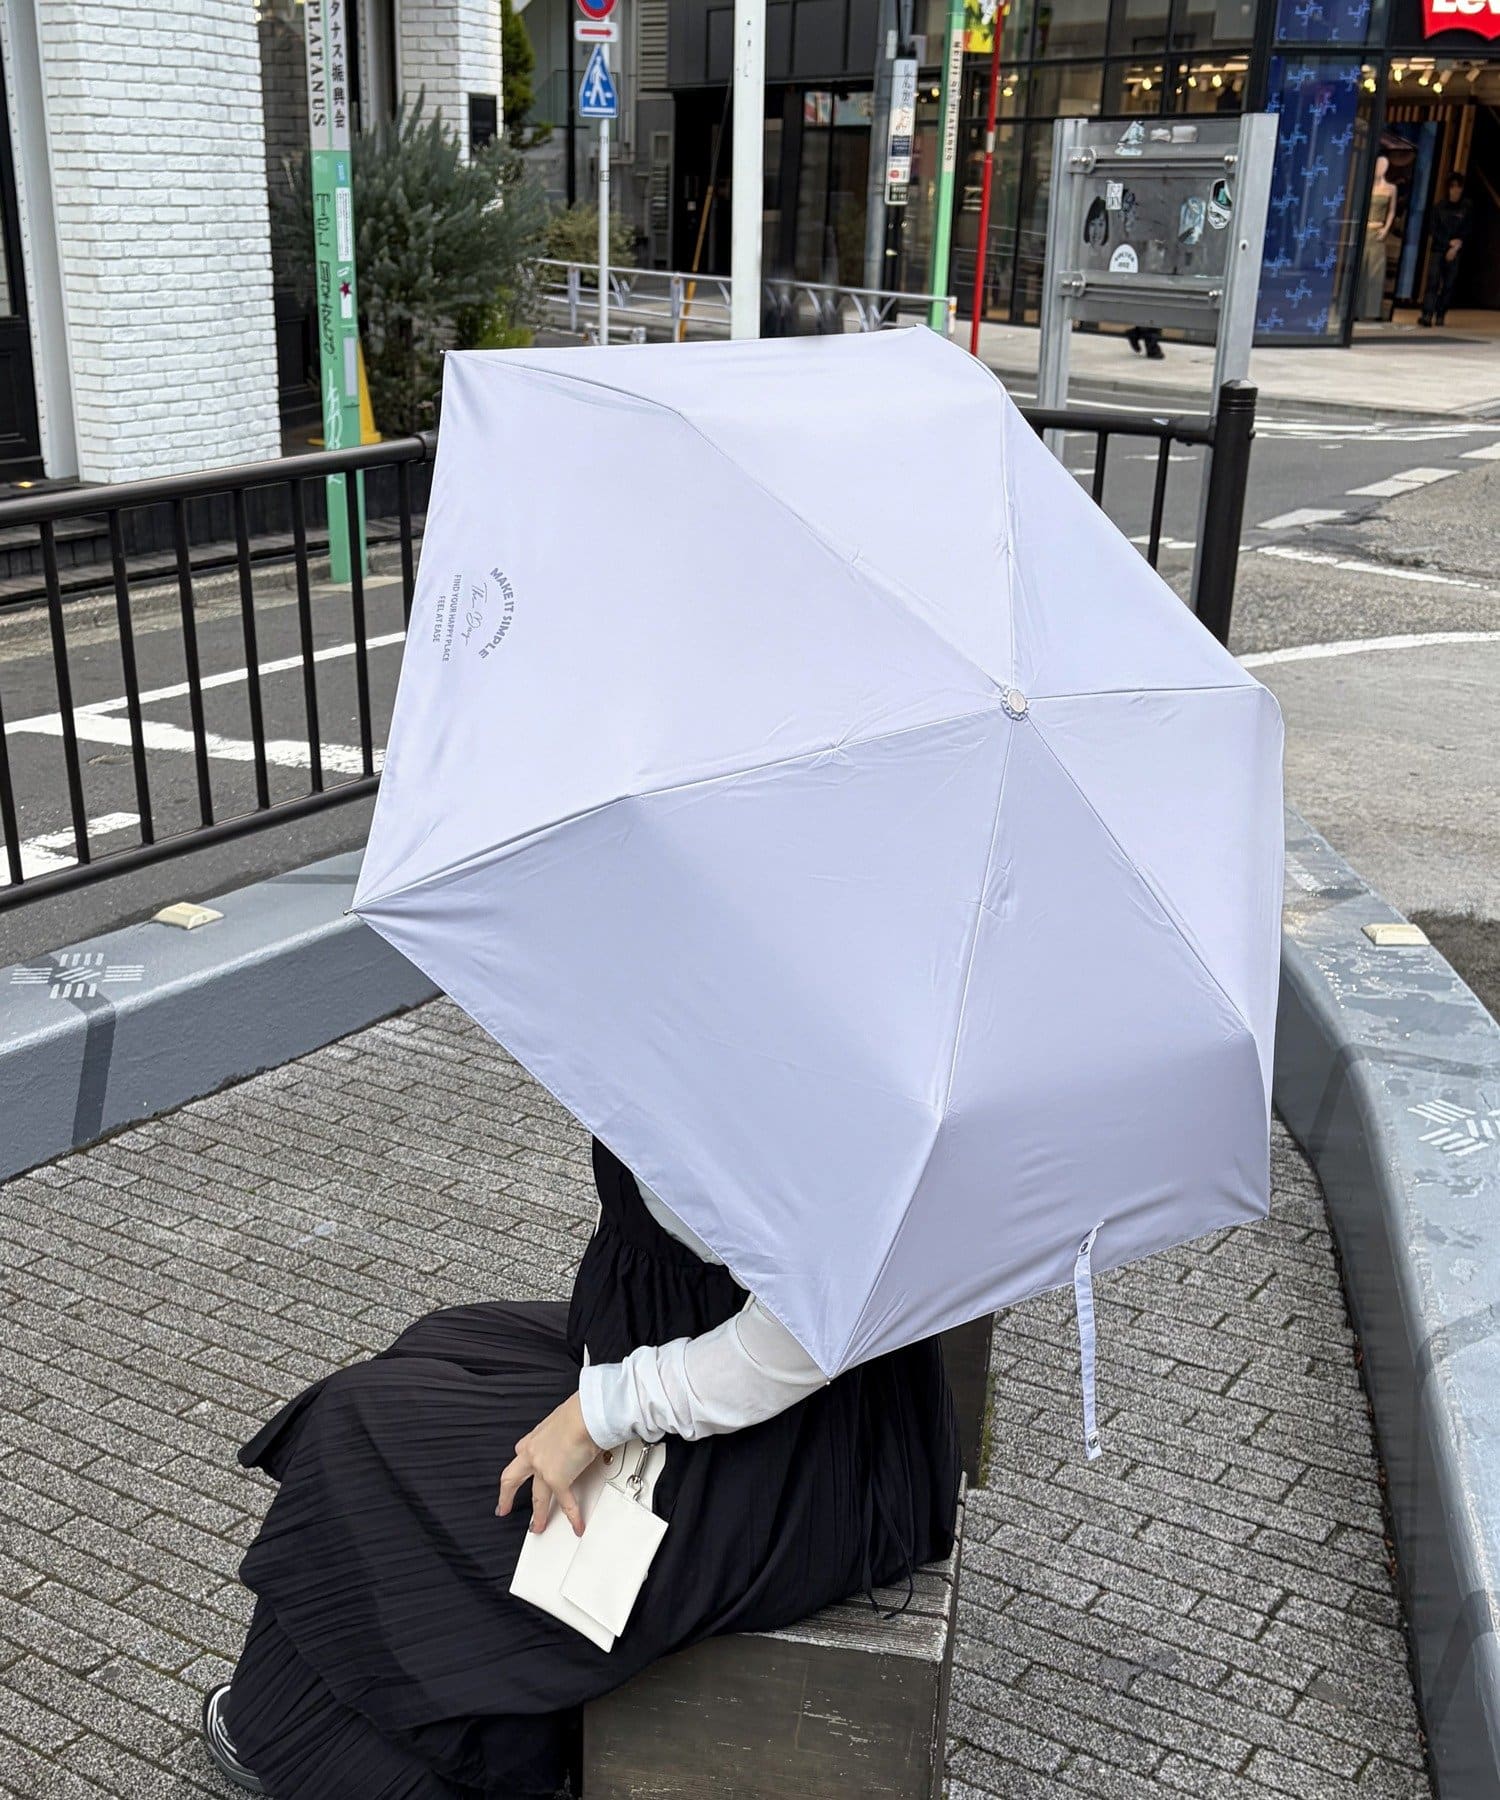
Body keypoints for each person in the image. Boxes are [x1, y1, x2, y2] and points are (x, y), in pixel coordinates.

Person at [201, 1138, 961, 1798]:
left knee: (365, 1424)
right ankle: (341, 1704)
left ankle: (320, 1736)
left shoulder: (808, 1102)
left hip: (802, 1459)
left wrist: (596, 1414)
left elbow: (803, 1336)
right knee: (440, 1345)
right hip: (674, 1358)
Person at [1420, 172, 1472, 328]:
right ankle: (1427, 314)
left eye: (1458, 187)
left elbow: (1468, 229)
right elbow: (1433, 230)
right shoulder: (1439, 207)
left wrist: (1456, 246)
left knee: (1449, 284)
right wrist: (1448, 243)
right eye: (1453, 187)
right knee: (1433, 282)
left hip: (1456, 249)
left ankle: (1441, 314)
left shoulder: (1466, 207)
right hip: (1439, 248)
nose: (1456, 190)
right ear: (1448, 189)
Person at [1359, 154, 1397, 322]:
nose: (1380, 169)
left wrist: (1386, 229)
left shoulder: (1391, 189)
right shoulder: (1368, 186)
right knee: (1362, 271)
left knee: (1375, 273)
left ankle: (1372, 310)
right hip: (1366, 231)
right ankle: (1357, 310)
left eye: (1383, 166)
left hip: (1378, 233)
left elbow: (1392, 211)